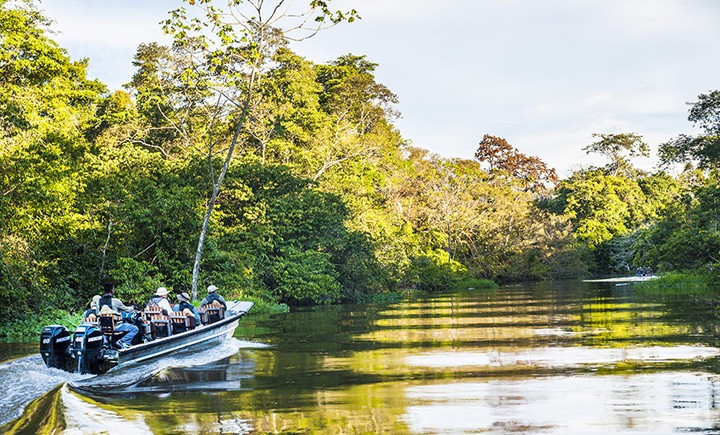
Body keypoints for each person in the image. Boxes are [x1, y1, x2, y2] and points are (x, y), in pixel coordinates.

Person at [92, 282, 138, 349]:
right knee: (134, 328)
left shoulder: (99, 301)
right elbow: (127, 309)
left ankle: (107, 342)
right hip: (116, 327)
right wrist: (133, 308)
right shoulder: (115, 301)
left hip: (103, 327)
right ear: (112, 290)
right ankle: (123, 342)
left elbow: (97, 313)